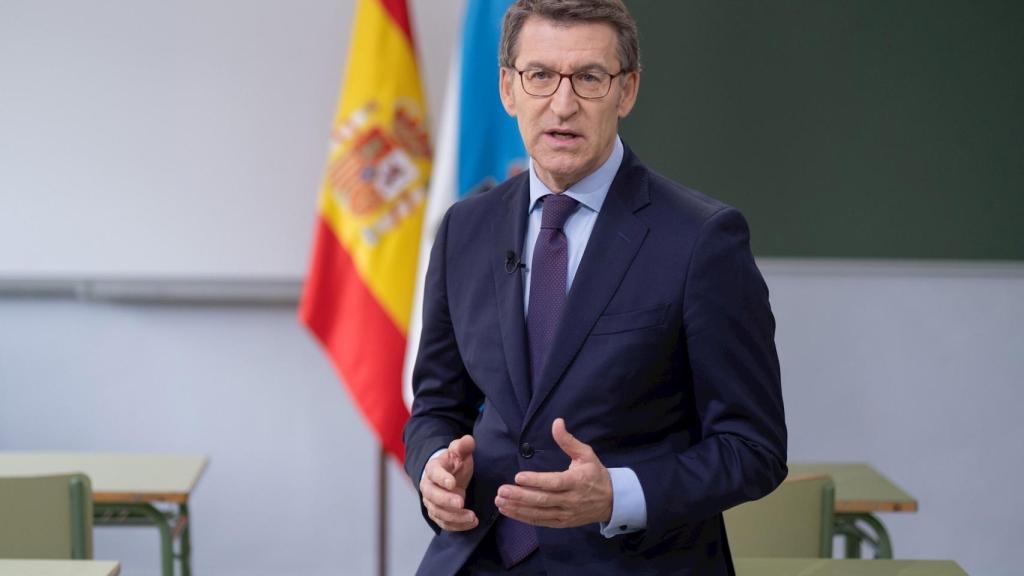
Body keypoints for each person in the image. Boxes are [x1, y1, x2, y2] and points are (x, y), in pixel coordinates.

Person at [404, 1, 787, 574]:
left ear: (626, 91)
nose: (563, 104)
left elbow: (753, 450)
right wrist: (434, 466)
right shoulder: (466, 227)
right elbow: (436, 405)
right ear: (508, 89)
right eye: (540, 76)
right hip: (476, 555)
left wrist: (617, 495)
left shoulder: (703, 240)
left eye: (589, 77)